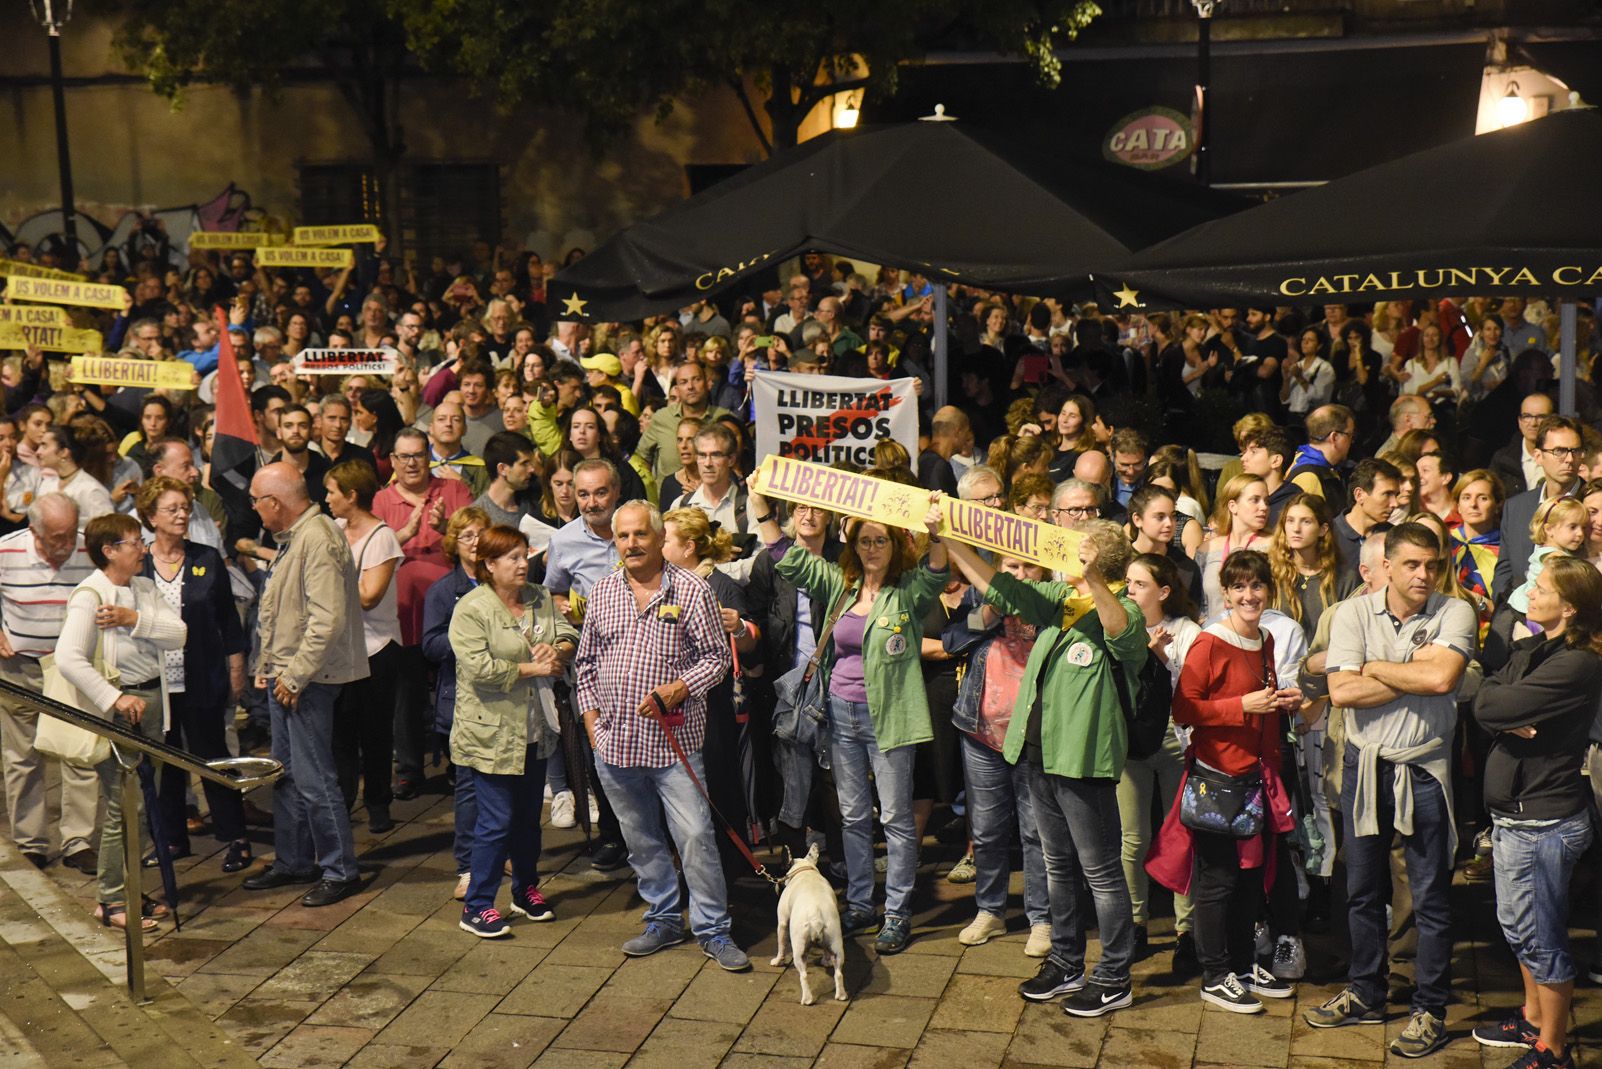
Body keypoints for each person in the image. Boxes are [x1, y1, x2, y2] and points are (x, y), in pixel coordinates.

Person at [943, 520, 1144, 1018]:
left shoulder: (1125, 610)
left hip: (1083, 761)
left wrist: (1090, 576)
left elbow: (1121, 632)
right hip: (1038, 753)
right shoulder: (1058, 599)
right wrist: (948, 539)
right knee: (1057, 866)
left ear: (1100, 561)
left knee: (1100, 872)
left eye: (1081, 553)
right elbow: (1000, 587)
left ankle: (1115, 975)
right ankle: (1067, 961)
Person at [1308, 523, 1477, 1059]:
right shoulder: (1353, 613)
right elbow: (1341, 690)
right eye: (1412, 565)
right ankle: (1366, 992)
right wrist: (1414, 671)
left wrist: (1377, 668)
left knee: (1429, 895)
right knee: (1362, 889)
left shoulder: (1455, 611)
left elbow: (1443, 681)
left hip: (1425, 769)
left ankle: (1429, 1007)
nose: (1424, 575)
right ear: (1388, 565)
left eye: (1432, 565)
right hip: (1364, 767)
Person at [573, 500, 747, 970]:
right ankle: (665, 920)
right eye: (623, 536)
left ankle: (713, 929)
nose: (631, 543)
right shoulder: (604, 590)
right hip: (615, 744)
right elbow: (585, 664)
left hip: (675, 746)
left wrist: (678, 688)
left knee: (694, 836)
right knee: (642, 839)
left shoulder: (691, 590)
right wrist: (592, 725)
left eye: (640, 535)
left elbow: (716, 659)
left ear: (656, 538)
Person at [772, 494, 949, 954]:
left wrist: (937, 533)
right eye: (864, 541)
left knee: (895, 818)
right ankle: (861, 905)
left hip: (888, 718)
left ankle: (897, 912)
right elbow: (791, 562)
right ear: (853, 546)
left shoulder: (905, 590)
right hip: (840, 713)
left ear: (896, 546)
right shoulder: (842, 584)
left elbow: (936, 574)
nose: (872, 548)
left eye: (880, 541)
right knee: (851, 816)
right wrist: (758, 508)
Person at [1470, 557, 1602, 1069]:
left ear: (1568, 608)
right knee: (1518, 926)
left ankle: (1553, 1048)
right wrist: (1506, 708)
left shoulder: (1578, 662)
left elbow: (1494, 706)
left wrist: (1506, 709)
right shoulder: (1535, 647)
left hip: (1543, 821)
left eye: (1540, 587)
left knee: (1542, 937)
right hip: (1517, 817)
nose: (1529, 591)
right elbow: (1485, 696)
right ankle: (1531, 1019)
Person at [1160, 550, 1302, 1013]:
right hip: (1218, 779)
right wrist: (1242, 706)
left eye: (1256, 586)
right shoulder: (1210, 641)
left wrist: (1283, 702)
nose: (1249, 595)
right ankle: (1215, 973)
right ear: (1225, 592)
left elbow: (1257, 703)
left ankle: (1241, 965)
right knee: (1218, 879)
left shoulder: (1264, 639)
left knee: (1250, 878)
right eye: (1239, 587)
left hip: (1257, 778)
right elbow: (1185, 709)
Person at [241, 462, 369, 908]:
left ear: (274, 503)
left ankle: (339, 870)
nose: (254, 509)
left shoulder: (316, 538)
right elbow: (283, 610)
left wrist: (293, 676)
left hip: (309, 679)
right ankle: (294, 860)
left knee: (315, 779)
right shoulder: (297, 538)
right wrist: (268, 664)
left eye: (257, 500)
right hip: (287, 675)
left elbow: (326, 619)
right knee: (287, 775)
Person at [55, 513, 187, 931]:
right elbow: (68, 657)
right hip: (122, 708)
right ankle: (111, 901)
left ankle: (128, 889)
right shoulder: (90, 595)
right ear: (109, 550)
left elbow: (178, 634)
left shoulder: (143, 588)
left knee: (144, 806)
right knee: (122, 806)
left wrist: (134, 620)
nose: (144, 548)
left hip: (151, 700)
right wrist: (114, 697)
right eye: (135, 542)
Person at [450, 525, 577, 937]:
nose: (524, 564)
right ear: (489, 564)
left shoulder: (539, 598)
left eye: (525, 556)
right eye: (513, 558)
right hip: (490, 733)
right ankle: (478, 904)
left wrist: (556, 651)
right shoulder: (472, 609)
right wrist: (532, 668)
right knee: (495, 820)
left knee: (526, 818)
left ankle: (525, 890)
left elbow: (568, 633)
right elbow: (479, 668)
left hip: (535, 729)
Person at [137, 476, 251, 873]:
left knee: (214, 758)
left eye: (185, 508)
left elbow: (227, 619)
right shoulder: (139, 564)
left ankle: (235, 837)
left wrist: (237, 665)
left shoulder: (206, 558)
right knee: (163, 764)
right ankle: (170, 839)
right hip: (157, 682)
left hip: (202, 677)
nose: (183, 514)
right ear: (151, 517)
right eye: (173, 509)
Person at [0, 494, 99, 872]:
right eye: (56, 537)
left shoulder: (87, 548)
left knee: (79, 753)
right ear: (34, 531)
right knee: (22, 758)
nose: (65, 544)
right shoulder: (7, 551)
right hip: (20, 667)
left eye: (70, 533)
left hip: (73, 667)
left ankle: (78, 840)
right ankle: (31, 842)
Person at [661, 508, 759, 879]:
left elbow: (750, 645)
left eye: (665, 539)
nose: (658, 545)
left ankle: (727, 870)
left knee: (716, 789)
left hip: (713, 712)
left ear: (688, 547)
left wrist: (741, 628)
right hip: (676, 709)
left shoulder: (720, 586)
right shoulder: (664, 584)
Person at [1119, 552, 1202, 971]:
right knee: (1132, 838)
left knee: (1179, 835)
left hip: (1173, 739)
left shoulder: (1186, 632)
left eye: (1139, 584)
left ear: (1163, 592)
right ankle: (1135, 922)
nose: (1129, 591)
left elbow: (1193, 691)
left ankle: (1187, 931)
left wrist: (1162, 660)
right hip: (1131, 742)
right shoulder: (1118, 624)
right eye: (1128, 583)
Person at [324, 460, 406, 833]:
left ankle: (377, 802)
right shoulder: (334, 531)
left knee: (374, 732)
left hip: (377, 648)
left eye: (332, 492)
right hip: (342, 649)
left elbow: (370, 596)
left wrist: (330, 584)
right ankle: (341, 801)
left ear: (352, 495)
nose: (326, 499)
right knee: (341, 733)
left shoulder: (382, 537)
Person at [421, 507, 492, 899]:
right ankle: (467, 865)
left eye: (481, 533)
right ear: (454, 543)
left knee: (505, 785)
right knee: (468, 787)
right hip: (462, 700)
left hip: (502, 699)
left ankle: (501, 851)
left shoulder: (502, 584)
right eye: (467, 535)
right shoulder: (443, 591)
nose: (476, 541)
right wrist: (471, 640)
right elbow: (430, 644)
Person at [1501, 416, 1584, 594]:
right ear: (1538, 456)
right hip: (1519, 614)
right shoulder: (1516, 507)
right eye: (1559, 451)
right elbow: (1504, 571)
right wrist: (1508, 615)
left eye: (1575, 451)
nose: (1569, 459)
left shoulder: (1593, 504)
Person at [1196, 474, 1271, 622]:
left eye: (1267, 501)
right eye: (1255, 500)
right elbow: (1198, 602)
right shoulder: (1208, 548)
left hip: (1260, 633)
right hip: (1216, 633)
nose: (1264, 507)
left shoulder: (1274, 547)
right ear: (1233, 506)